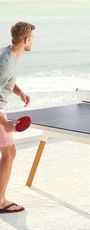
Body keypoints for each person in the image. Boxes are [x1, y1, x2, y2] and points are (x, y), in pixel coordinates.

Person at [0, 22, 35, 213]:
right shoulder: (5, 63)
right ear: (25, 39)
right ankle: (0, 201)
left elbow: (5, 81)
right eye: (32, 38)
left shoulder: (7, 54)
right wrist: (5, 122)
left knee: (8, 153)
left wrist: (19, 92)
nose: (33, 41)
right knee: (9, 154)